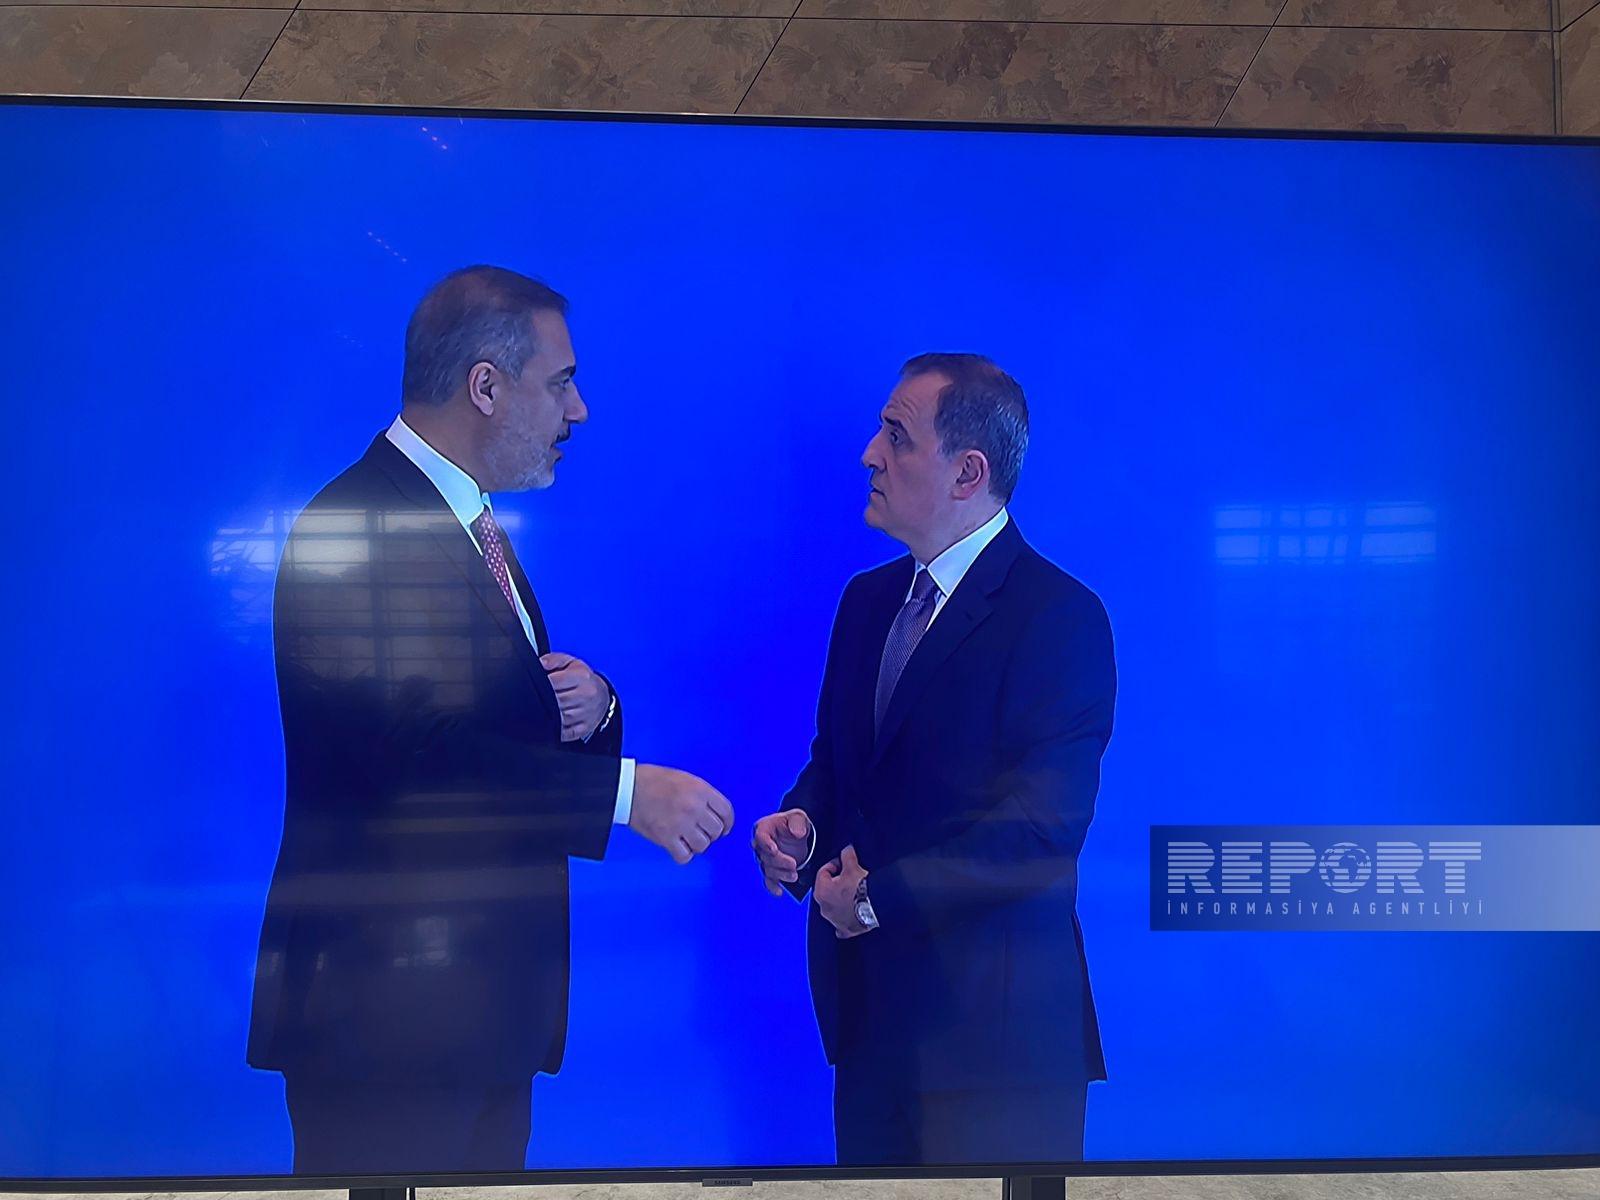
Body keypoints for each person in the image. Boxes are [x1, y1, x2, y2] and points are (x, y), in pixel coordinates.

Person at [247, 265, 733, 1175]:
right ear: (485, 385)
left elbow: (495, 721)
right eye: (561, 383)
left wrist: (597, 706)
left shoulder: (463, 521)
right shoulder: (355, 526)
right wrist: (627, 795)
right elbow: (415, 767)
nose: (578, 411)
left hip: (472, 1023)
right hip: (386, 1029)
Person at [752, 353, 1115, 1166]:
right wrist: (802, 826)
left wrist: (874, 899)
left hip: (996, 1049)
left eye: (896, 436)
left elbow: (1041, 831)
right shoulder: (866, 601)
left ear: (968, 472)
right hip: (871, 1029)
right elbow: (840, 766)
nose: (869, 455)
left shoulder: (1058, 618)